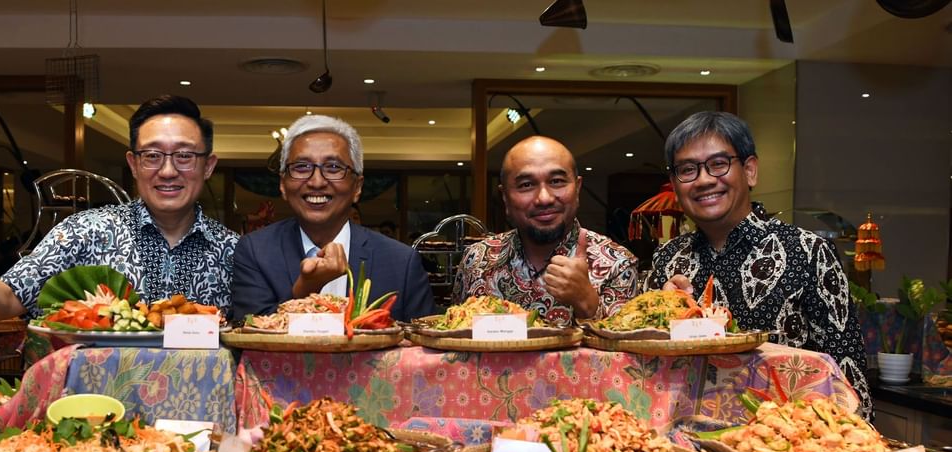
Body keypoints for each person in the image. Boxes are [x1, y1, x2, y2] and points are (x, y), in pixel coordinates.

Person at [0, 95, 239, 319]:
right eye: (152, 155)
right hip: (94, 402)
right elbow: (7, 300)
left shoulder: (235, 251)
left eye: (184, 156)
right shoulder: (86, 231)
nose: (167, 171)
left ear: (208, 166)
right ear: (133, 164)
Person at [647, 111, 871, 415]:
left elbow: (847, 373)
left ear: (750, 170)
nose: (703, 180)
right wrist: (663, 313)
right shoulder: (667, 259)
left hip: (783, 436)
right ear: (675, 184)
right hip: (681, 435)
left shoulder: (807, 252)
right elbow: (645, 364)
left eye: (718, 164)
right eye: (687, 169)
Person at [231, 115, 434, 322]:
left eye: (334, 168)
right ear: (283, 185)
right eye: (301, 167)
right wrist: (306, 291)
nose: (317, 182)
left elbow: (423, 339)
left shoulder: (401, 262)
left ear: (357, 187)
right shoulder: (255, 252)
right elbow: (249, 332)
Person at [452, 135, 637, 324]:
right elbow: (452, 333)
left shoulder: (617, 264)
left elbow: (630, 340)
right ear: (505, 197)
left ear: (577, 188)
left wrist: (588, 306)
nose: (544, 198)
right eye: (526, 185)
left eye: (556, 181)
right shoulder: (477, 261)